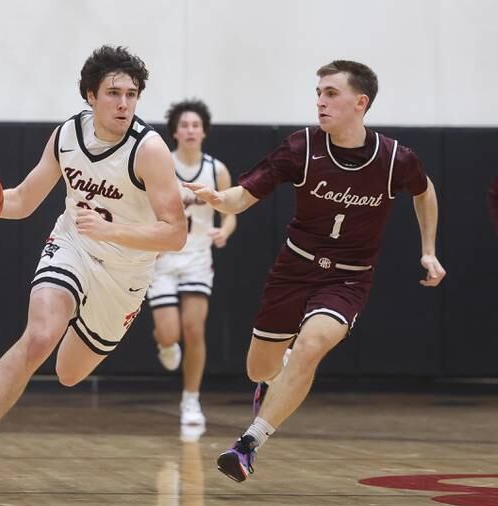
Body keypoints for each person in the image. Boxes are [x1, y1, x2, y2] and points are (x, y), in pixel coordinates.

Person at [0, 45, 187, 488]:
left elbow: (175, 234)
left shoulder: (149, 151)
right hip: (72, 246)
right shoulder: (66, 135)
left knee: (69, 374)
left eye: (132, 94)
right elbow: (23, 200)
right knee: (39, 336)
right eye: (114, 93)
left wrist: (113, 233)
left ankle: (83, 319)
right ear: (91, 95)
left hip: (125, 274)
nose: (124, 103)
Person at [186, 60, 446, 482]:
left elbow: (425, 190)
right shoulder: (301, 147)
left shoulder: (395, 158)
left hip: (347, 277)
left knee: (310, 347)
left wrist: (429, 250)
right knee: (259, 368)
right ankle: (273, 382)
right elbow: (243, 196)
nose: (320, 101)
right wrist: (216, 198)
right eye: (318, 93)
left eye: (330, 93)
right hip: (294, 268)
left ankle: (248, 445)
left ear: (360, 103)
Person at [146, 99, 236, 426]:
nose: (190, 130)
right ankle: (165, 345)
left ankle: (191, 400)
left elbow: (230, 213)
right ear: (174, 131)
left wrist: (224, 231)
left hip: (198, 258)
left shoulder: (217, 170)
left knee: (194, 330)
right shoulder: (160, 165)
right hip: (162, 258)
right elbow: (145, 208)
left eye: (195, 125)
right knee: (169, 333)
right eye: (184, 125)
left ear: (204, 132)